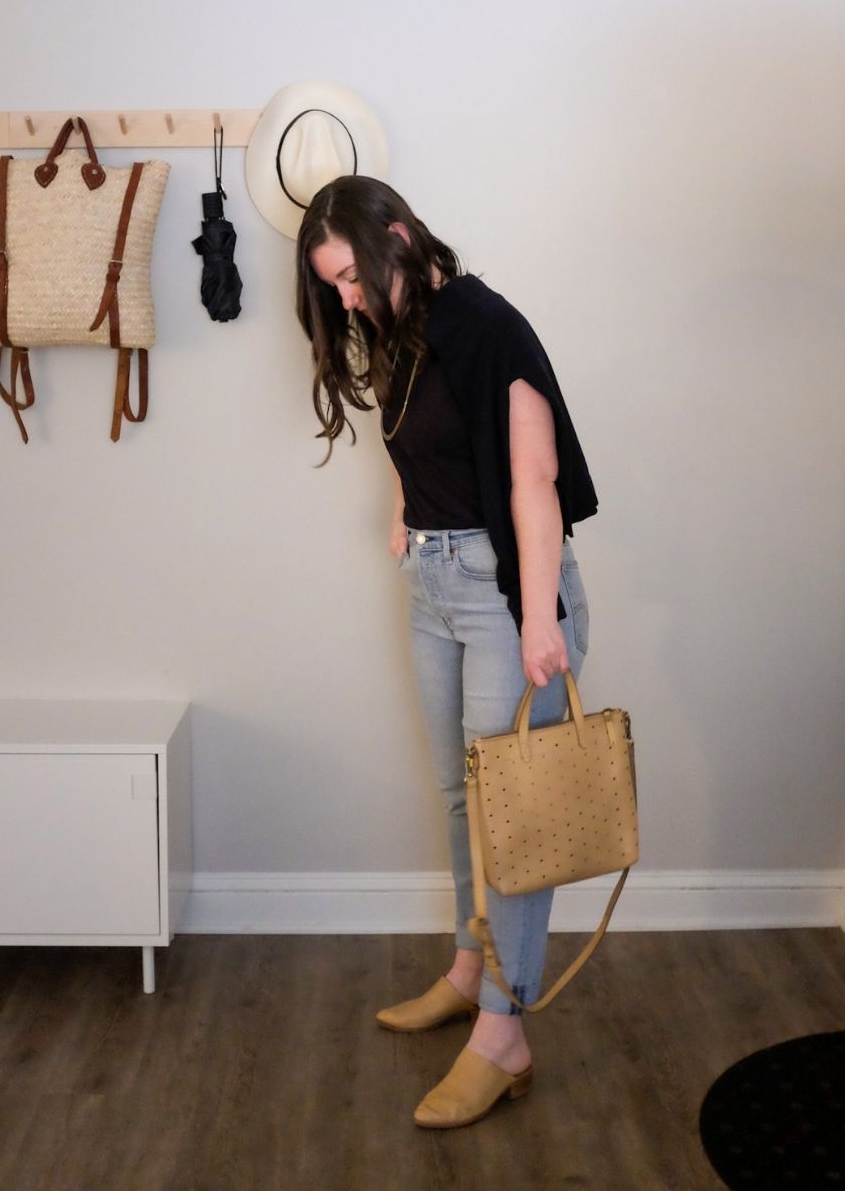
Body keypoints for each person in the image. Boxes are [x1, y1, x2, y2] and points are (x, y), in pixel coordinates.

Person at [294, 174, 600, 1127]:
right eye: (333, 288)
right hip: (434, 583)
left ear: (394, 235)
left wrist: (541, 616)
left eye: (349, 277)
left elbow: (533, 477)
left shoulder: (486, 324)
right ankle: (472, 971)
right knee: (461, 795)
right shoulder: (403, 332)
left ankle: (505, 1032)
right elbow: (422, 441)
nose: (346, 299)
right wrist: (405, 514)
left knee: (513, 820)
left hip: (507, 598)